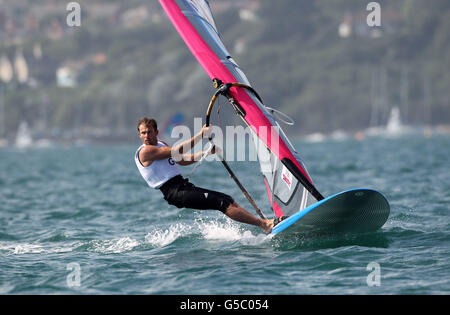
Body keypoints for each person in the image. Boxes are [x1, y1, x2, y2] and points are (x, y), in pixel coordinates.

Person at [135, 117, 275, 234]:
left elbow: (182, 160)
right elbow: (177, 150)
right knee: (222, 203)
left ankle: (264, 223)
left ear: (156, 132)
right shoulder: (145, 152)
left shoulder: (161, 144)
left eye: (149, 132)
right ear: (139, 135)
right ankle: (264, 224)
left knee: (227, 199)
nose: (146, 136)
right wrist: (201, 135)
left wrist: (204, 153)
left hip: (182, 186)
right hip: (174, 192)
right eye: (143, 133)